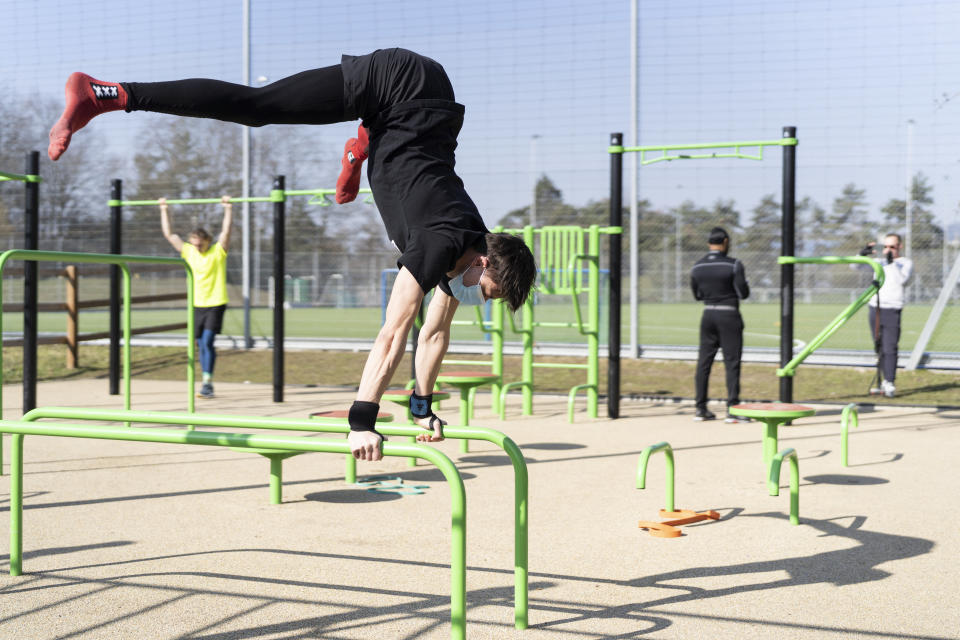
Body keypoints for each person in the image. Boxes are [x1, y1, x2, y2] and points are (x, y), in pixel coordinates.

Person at [50, 48, 537, 459]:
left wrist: (421, 405)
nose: (483, 300)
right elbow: (394, 334)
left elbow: (434, 335)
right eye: (490, 293)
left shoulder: (474, 244)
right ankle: (107, 93)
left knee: (392, 157)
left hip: (415, 117)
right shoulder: (440, 244)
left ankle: (362, 148)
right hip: (400, 82)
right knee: (259, 106)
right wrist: (361, 418)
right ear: (484, 263)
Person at [159, 195, 233, 399]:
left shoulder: (217, 252)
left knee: (208, 341)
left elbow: (226, 232)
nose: (197, 245)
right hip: (196, 304)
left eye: (201, 242)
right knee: (200, 343)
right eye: (194, 242)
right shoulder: (189, 252)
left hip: (216, 303)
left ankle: (207, 381)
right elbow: (169, 234)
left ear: (208, 241)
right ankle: (205, 377)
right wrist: (164, 209)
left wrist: (227, 208)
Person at [690, 227, 750, 422]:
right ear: (725, 241)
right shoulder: (734, 264)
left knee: (704, 362)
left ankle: (700, 408)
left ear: (709, 243)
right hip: (729, 315)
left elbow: (697, 295)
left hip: (708, 315)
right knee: (731, 363)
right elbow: (743, 293)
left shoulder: (697, 267)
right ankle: (732, 409)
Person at [857, 233, 913, 398]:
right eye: (886, 246)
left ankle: (889, 381)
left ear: (899, 247)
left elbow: (902, 280)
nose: (888, 250)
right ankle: (882, 380)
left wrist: (891, 263)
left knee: (890, 347)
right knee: (878, 345)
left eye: (892, 247)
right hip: (876, 307)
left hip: (893, 308)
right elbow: (856, 266)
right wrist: (862, 254)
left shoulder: (905, 263)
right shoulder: (877, 262)